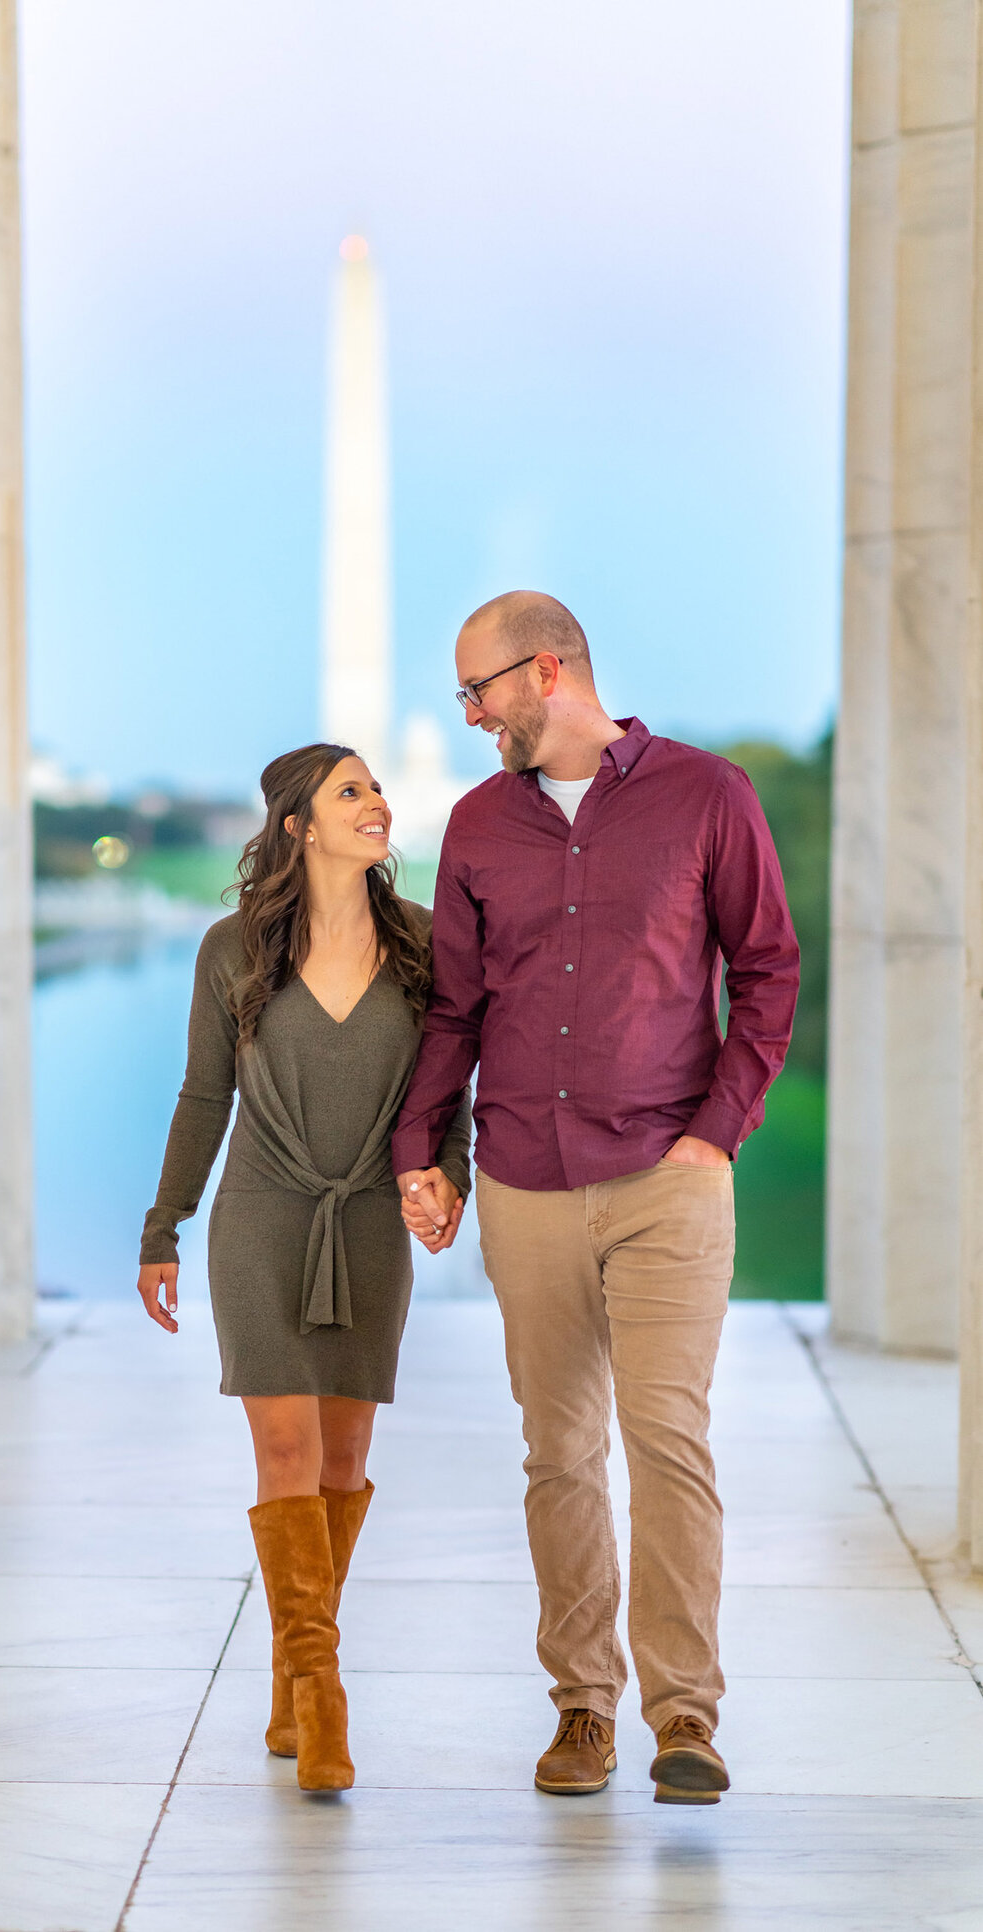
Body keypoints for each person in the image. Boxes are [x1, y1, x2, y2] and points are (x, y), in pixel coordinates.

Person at [392, 591, 798, 1807]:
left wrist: (717, 1133)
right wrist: (429, 1149)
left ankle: (685, 1715)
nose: (468, 716)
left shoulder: (706, 796)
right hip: (523, 1177)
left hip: (667, 1176)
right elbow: (457, 1008)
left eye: (480, 691)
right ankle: (582, 1708)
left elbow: (766, 969)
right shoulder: (475, 825)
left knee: (666, 1441)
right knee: (557, 1452)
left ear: (550, 669)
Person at [136, 742, 469, 1791]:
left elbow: (449, 1089)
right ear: (299, 827)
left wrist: (446, 1176)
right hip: (261, 1221)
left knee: (340, 1462)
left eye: (373, 789)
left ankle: (289, 1674)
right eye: (351, 792)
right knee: (283, 1452)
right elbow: (202, 1097)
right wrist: (162, 1225)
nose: (377, 805)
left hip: (368, 1223)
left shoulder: (421, 946)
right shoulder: (230, 949)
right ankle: (322, 1696)